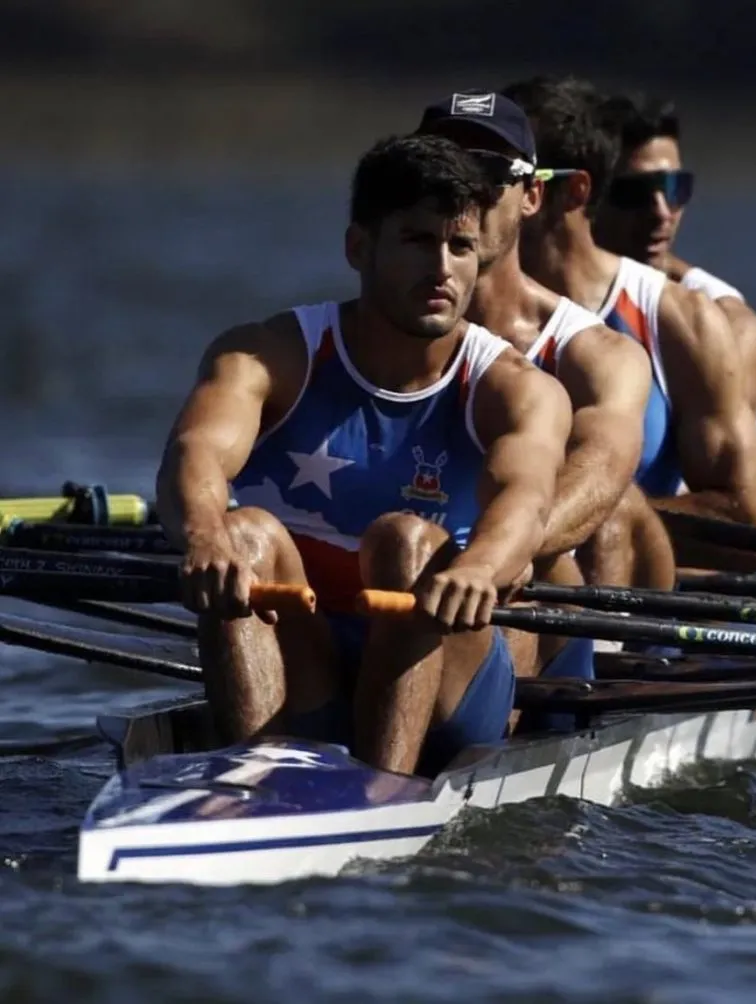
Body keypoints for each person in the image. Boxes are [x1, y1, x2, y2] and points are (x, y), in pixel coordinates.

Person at [155, 134, 573, 777]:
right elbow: (196, 453)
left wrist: (481, 568)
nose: (442, 268)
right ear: (359, 248)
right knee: (244, 534)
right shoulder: (270, 353)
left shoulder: (516, 388)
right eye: (415, 240)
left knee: (405, 541)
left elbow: (528, 500)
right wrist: (205, 537)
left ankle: (383, 793)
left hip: (445, 685)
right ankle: (248, 780)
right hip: (307, 663)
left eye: (460, 246)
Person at [501, 76, 756, 579]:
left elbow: (748, 526)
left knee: (613, 512)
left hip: (626, 589)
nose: (660, 213)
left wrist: (587, 511)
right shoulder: (457, 300)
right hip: (508, 573)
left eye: (498, 178)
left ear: (576, 190)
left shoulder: (692, 320)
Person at [415, 91, 673, 595]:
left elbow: (602, 468)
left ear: (532, 196)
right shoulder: (345, 336)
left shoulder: (598, 355)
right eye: (439, 172)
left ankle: (602, 666)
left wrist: (490, 556)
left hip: (529, 587)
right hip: (403, 563)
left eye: (487, 173)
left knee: (620, 504)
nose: (461, 193)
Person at [594, 92, 756, 425]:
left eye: (675, 187)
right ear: (584, 194)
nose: (662, 213)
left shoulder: (728, 323)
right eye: (636, 193)